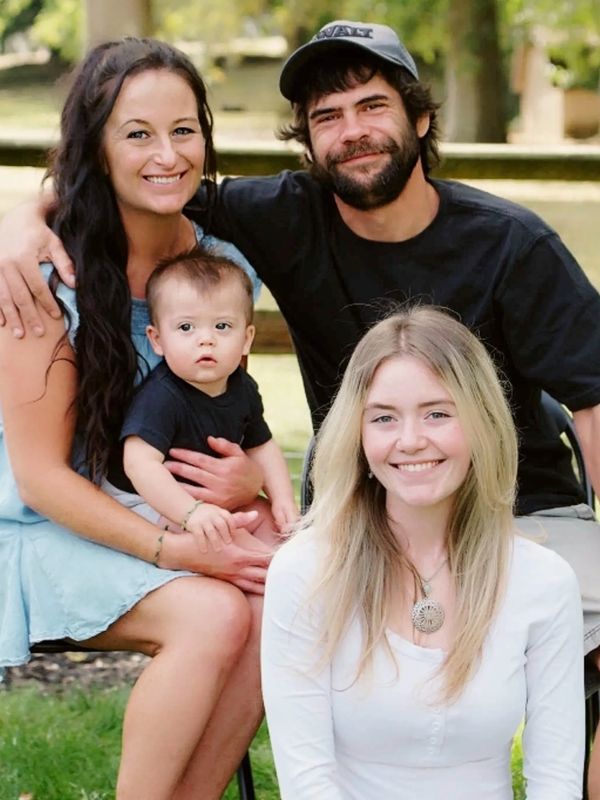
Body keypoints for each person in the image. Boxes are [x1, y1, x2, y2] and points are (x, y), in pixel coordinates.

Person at [2, 16, 600, 787]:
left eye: (373, 106)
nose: (353, 132)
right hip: (360, 515)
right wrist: (28, 215)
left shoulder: (510, 244)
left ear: (420, 117)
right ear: (307, 143)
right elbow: (124, 172)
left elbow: (593, 398)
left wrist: (248, 488)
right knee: (273, 595)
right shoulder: (278, 218)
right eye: (327, 117)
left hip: (519, 513)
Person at [0, 37, 280, 800]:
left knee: (283, 586)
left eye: (184, 130)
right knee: (215, 615)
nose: (167, 154)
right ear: (97, 146)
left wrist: (247, 477)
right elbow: (41, 479)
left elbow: (220, 414)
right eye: (137, 132)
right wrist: (175, 550)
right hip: (37, 525)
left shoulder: (218, 267)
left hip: (151, 506)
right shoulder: (41, 277)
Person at [261, 306, 584, 799]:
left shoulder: (542, 581)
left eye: (437, 413)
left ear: (480, 424)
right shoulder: (306, 571)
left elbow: (555, 779)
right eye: (384, 418)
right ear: (358, 434)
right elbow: (307, 781)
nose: (410, 441)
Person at [105, 245, 298, 548]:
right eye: (186, 327)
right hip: (144, 502)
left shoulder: (242, 386)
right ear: (157, 340)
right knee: (238, 545)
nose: (205, 339)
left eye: (222, 326)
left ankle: (285, 577)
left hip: (204, 501)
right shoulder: (162, 397)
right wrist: (191, 513)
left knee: (275, 528)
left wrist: (283, 499)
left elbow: (262, 446)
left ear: (246, 339)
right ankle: (271, 579)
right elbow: (139, 465)